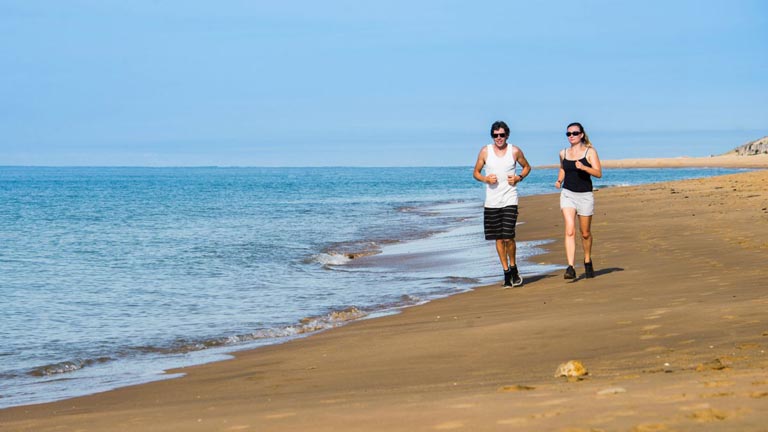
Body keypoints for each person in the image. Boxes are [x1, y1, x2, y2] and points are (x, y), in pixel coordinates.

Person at [473, 121, 531, 288]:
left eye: (502, 135)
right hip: (491, 201)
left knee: (508, 236)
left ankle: (513, 267)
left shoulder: (514, 151)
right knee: (498, 238)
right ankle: (506, 273)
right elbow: (475, 172)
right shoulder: (485, 151)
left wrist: (519, 178)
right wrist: (485, 179)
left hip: (509, 199)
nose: (499, 138)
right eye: (495, 135)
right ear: (492, 136)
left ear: (507, 135)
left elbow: (527, 167)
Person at [555, 122, 602, 279]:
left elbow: (598, 173)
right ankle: (570, 267)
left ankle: (587, 260)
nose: (571, 136)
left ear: (581, 134)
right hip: (568, 194)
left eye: (574, 133)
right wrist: (559, 180)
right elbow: (563, 168)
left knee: (585, 233)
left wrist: (583, 168)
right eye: (568, 134)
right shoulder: (563, 153)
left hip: (585, 196)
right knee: (569, 230)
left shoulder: (590, 152)